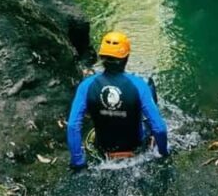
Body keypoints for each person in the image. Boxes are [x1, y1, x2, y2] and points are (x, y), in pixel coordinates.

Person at [67, 31, 168, 170]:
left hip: (103, 147)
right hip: (136, 145)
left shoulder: (86, 86)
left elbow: (73, 126)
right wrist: (163, 153)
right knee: (149, 88)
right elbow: (160, 128)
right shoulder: (139, 85)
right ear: (126, 57)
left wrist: (78, 161)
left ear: (101, 57)